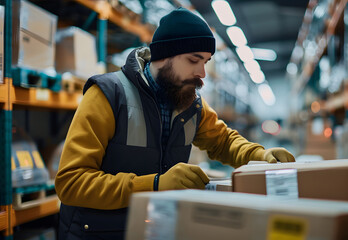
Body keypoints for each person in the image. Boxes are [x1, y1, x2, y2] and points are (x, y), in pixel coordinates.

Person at [55, 7, 295, 240]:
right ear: (164, 55)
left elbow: (223, 141)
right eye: (194, 60)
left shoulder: (190, 102)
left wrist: (261, 156)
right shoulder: (108, 94)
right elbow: (71, 182)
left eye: (206, 61)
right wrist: (156, 184)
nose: (202, 72)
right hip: (98, 232)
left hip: (154, 228)